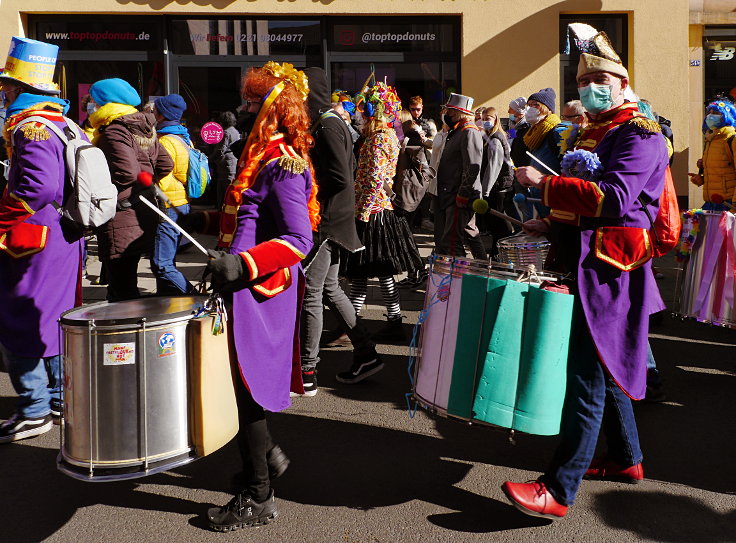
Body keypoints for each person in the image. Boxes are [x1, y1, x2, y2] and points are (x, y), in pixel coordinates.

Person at [502, 38, 668, 520]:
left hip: (611, 270)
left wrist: (545, 185)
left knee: (585, 374)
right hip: (585, 260)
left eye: (601, 81)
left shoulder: (641, 134)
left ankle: (558, 488)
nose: (592, 89)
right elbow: (590, 206)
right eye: (583, 82)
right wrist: (551, 221)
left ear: (622, 85)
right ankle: (626, 458)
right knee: (605, 365)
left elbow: (615, 199)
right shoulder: (593, 131)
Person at [184, 62, 317, 531]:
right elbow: (244, 220)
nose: (243, 109)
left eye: (252, 103)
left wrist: (243, 265)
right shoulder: (258, 158)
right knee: (243, 391)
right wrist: (193, 217)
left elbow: (299, 240)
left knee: (247, 392)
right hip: (240, 290)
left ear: (272, 109)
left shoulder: (283, 165)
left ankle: (259, 495)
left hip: (260, 295)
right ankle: (266, 461)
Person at [0, 37, 83, 442]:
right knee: (51, 318)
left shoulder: (31, 127)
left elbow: (37, 188)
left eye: (8, 85)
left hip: (34, 238)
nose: (4, 92)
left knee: (19, 317)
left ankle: (34, 408)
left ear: (21, 88)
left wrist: (2, 218)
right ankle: (55, 399)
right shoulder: (62, 121)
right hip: (60, 236)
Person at [298, 67, 382, 393]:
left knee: (311, 293)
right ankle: (367, 353)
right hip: (332, 219)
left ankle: (307, 371)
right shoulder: (326, 123)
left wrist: (305, 188)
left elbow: (340, 177)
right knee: (330, 288)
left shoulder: (329, 125)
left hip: (328, 222)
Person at [345, 82, 423, 345]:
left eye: (364, 112)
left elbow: (375, 178)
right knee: (381, 271)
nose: (360, 116)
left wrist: (363, 213)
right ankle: (391, 320)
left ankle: (353, 325)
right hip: (379, 210)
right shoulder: (384, 136)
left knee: (363, 271)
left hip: (373, 212)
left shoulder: (379, 138)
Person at [88, 78, 173, 301]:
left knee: (123, 287)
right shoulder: (144, 127)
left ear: (103, 103)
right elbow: (165, 164)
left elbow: (126, 172)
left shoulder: (115, 130)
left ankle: (125, 331)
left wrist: (100, 183)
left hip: (121, 214)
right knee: (124, 280)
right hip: (142, 209)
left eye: (93, 101)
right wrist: (146, 183)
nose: (91, 106)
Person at [150, 93, 195, 295]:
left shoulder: (166, 141)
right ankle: (167, 299)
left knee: (162, 263)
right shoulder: (184, 138)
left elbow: (162, 174)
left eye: (155, 110)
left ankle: (196, 298)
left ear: (161, 115)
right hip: (181, 202)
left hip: (168, 204)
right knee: (169, 258)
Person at [434, 93, 486, 260]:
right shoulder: (457, 131)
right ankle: (484, 268)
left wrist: (463, 194)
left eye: (450, 111)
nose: (447, 115)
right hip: (451, 192)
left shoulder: (469, 132)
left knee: (452, 241)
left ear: (458, 113)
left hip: (458, 195)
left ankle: (458, 278)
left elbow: (472, 167)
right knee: (470, 233)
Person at [479, 106, 515, 253]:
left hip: (498, 187)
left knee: (498, 222)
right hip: (497, 186)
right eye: (483, 118)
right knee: (496, 223)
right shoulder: (489, 137)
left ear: (495, 120)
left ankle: (501, 251)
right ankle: (497, 251)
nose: (485, 121)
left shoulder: (495, 139)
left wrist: (485, 190)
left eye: (488, 118)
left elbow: (494, 167)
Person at [689, 99, 736, 210]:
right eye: (709, 112)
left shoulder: (731, 139)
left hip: (727, 204)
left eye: (715, 113)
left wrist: (734, 205)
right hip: (711, 202)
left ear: (726, 116)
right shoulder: (710, 139)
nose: (710, 116)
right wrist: (702, 179)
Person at [213, 110, 241, 209]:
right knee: (230, 186)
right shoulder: (235, 131)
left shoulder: (225, 133)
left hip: (225, 163)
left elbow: (221, 149)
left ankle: (222, 209)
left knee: (223, 189)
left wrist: (211, 158)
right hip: (233, 161)